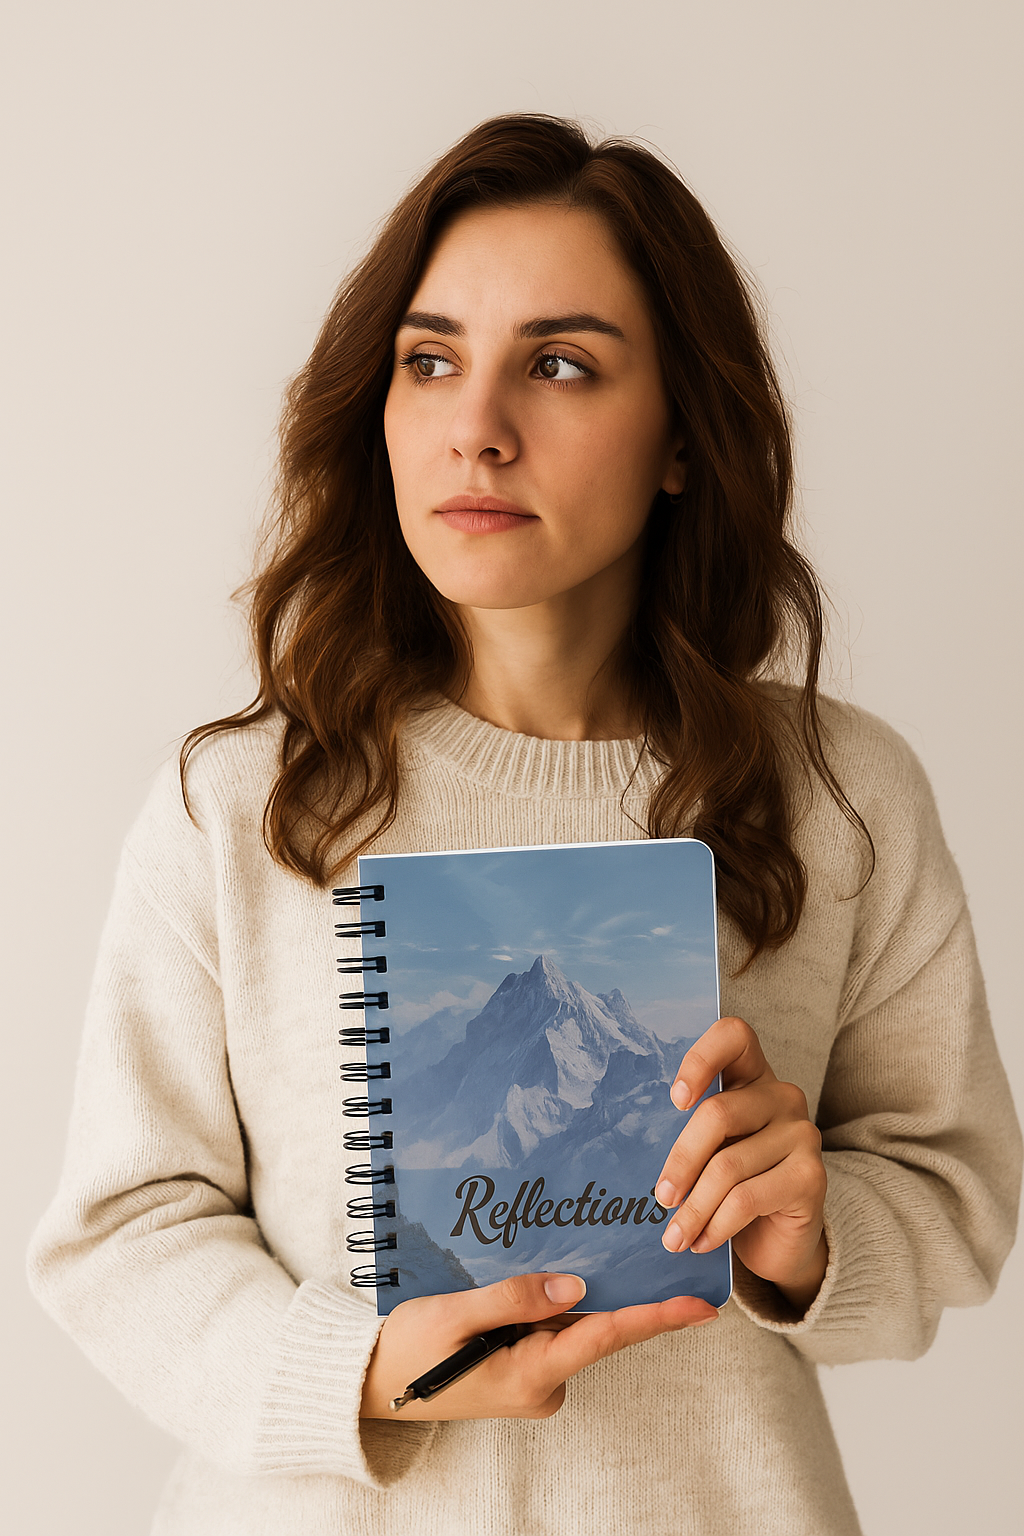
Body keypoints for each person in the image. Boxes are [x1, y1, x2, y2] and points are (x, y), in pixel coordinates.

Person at [28, 114, 1021, 1536]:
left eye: (558, 365)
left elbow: (959, 1193)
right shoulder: (241, 806)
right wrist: (355, 1370)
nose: (476, 425)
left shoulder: (841, 796)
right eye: (429, 360)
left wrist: (810, 1239)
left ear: (684, 436)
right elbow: (118, 1235)